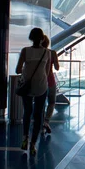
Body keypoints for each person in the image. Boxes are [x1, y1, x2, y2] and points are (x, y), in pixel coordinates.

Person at [16, 27, 50, 156]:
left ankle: (25, 138)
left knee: (27, 112)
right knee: (38, 114)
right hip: (41, 86)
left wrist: (26, 69)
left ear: (30, 37)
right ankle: (33, 145)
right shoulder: (47, 53)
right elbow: (46, 72)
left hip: (27, 86)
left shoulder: (25, 51)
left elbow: (18, 69)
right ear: (42, 38)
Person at [41, 35, 59, 134]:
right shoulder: (52, 53)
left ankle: (40, 122)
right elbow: (57, 67)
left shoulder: (35, 52)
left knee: (40, 103)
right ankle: (46, 121)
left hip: (38, 81)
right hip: (50, 80)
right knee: (51, 102)